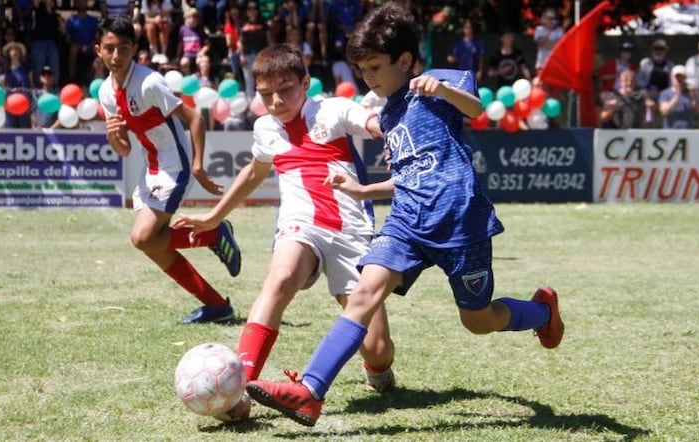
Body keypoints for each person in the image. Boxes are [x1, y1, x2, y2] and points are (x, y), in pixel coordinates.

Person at [245, 3, 565, 427]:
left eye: (375, 67)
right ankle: (310, 390)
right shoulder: (390, 112)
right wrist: (363, 190)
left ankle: (542, 312)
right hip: (407, 221)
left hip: (460, 222)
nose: (368, 78)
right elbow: (409, 176)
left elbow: (476, 110)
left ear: (407, 61)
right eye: (362, 70)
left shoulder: (443, 83)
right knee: (363, 295)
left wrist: (442, 90)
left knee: (478, 320)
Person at [174, 43, 395, 421]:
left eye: (285, 90)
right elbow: (253, 173)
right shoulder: (265, 128)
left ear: (306, 83)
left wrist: (392, 139)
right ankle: (238, 390)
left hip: (351, 231)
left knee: (376, 348)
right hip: (300, 226)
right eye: (264, 94)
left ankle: (379, 371)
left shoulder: (333, 110)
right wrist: (212, 217)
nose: (275, 101)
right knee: (280, 277)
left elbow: (377, 124)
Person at [95, 16, 243, 324]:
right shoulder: (106, 93)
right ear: (99, 50)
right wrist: (113, 137)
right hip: (151, 168)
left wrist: (200, 166)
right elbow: (124, 149)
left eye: (123, 48)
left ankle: (213, 233)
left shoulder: (148, 82)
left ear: (134, 48)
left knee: (143, 238)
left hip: (175, 166)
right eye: (109, 48)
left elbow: (196, 120)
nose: (116, 56)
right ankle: (216, 305)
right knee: (151, 244)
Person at [446, 18, 485, 84]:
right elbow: (456, 58)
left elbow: (481, 58)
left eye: (470, 28)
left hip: (474, 73)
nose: (468, 30)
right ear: (463, 29)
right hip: (461, 74)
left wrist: (480, 71)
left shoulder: (478, 43)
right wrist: (451, 59)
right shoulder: (458, 44)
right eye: (466, 28)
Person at [659, 64, 695, 129]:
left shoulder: (689, 93)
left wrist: (694, 96)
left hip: (688, 132)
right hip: (670, 131)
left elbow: (698, 110)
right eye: (677, 77)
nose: (679, 80)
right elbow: (664, 112)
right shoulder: (665, 93)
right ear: (671, 77)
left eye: (681, 77)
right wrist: (677, 95)